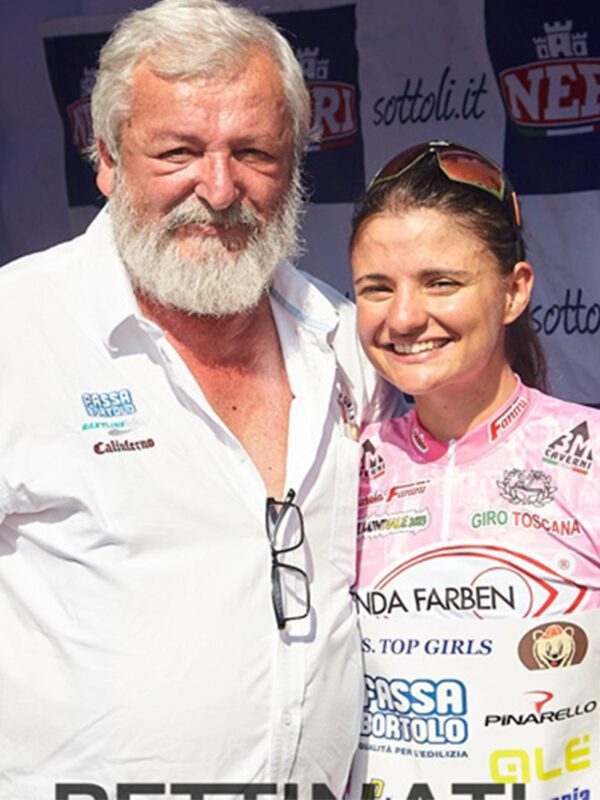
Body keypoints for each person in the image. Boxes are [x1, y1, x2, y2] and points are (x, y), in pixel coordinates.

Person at [0, 1, 395, 796]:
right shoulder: (19, 329)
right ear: (106, 159)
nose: (218, 189)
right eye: (178, 151)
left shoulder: (346, 344)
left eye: (253, 152)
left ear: (294, 163)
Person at [348, 141, 600, 798]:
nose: (405, 317)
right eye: (377, 288)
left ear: (514, 290)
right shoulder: (341, 469)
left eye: (441, 282)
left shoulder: (589, 457)